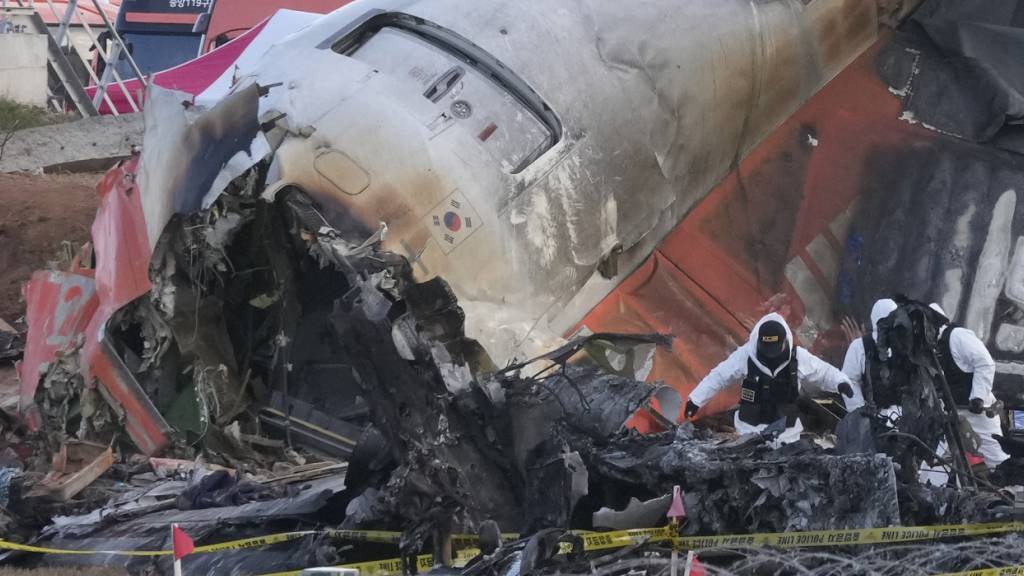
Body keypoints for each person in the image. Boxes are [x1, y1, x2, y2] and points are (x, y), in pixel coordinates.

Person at [683, 313, 854, 444]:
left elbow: (823, 372)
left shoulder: (798, 357)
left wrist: (841, 383)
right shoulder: (746, 355)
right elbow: (719, 376)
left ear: (784, 343)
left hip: (788, 433)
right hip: (749, 433)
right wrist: (695, 400)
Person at [929, 303, 1010, 469]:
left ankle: (1013, 490)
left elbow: (985, 363)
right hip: (951, 412)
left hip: (977, 413)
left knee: (997, 458)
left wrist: (978, 397)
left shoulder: (957, 337)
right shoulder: (931, 346)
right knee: (937, 464)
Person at [841, 298, 899, 413]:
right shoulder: (859, 347)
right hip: (875, 420)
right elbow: (849, 381)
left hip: (907, 420)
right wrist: (860, 412)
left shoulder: (908, 345)